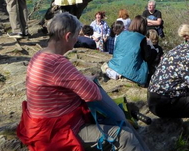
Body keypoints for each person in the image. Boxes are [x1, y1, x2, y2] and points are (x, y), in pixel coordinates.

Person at [16, 12, 148, 151]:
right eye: (76, 36)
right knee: (125, 137)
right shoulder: (57, 63)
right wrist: (87, 81)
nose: (77, 39)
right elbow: (93, 94)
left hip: (40, 125)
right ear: (67, 36)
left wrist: (81, 80)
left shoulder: (39, 55)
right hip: (58, 130)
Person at [105, 16, 157, 86]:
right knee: (154, 52)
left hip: (113, 65)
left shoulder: (122, 34)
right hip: (130, 72)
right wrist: (151, 47)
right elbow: (147, 57)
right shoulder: (141, 39)